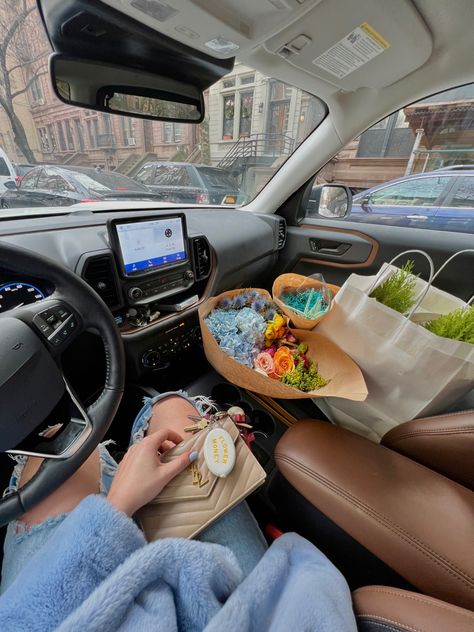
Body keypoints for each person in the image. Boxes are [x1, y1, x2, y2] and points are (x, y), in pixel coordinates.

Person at [0, 392, 357, 631]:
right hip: (260, 614)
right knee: (173, 407)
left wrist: (119, 504)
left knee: (66, 443)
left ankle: (115, 474)